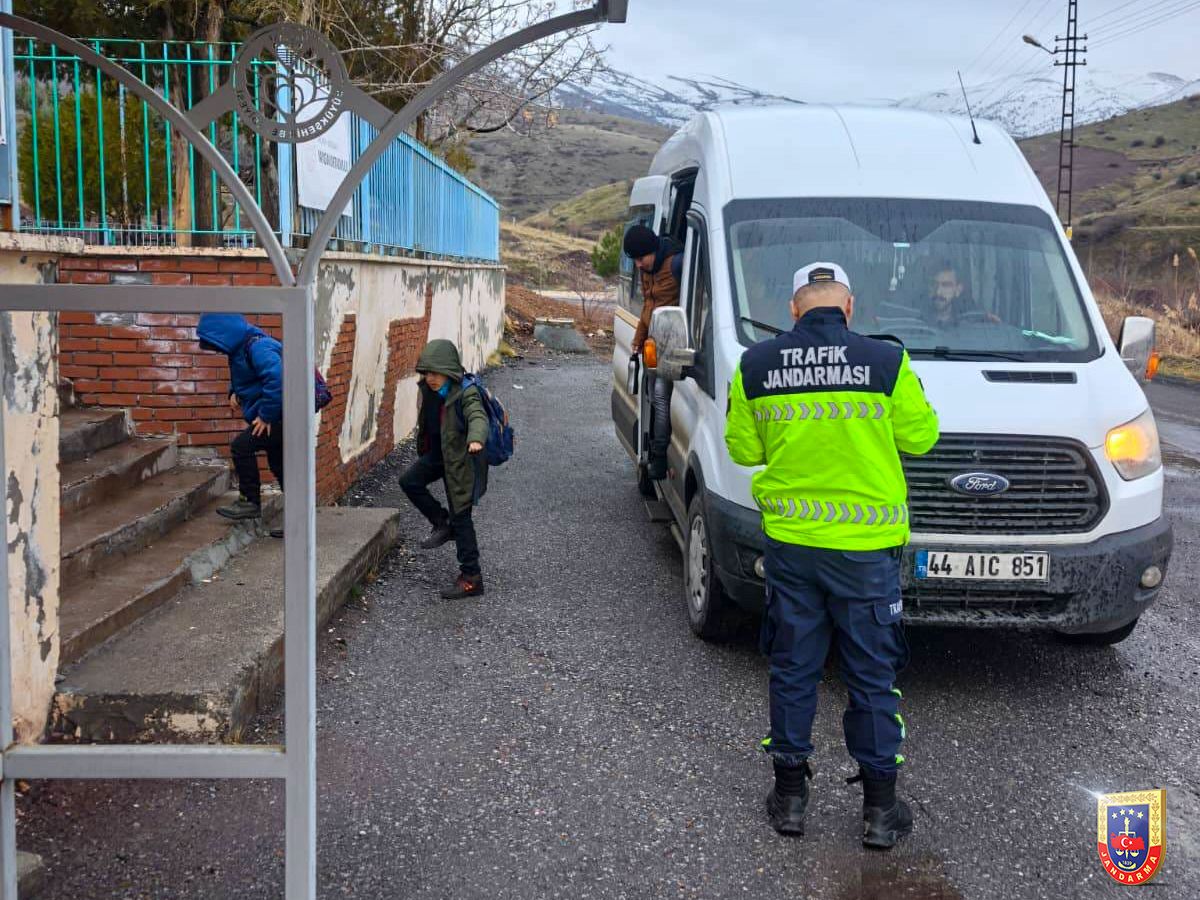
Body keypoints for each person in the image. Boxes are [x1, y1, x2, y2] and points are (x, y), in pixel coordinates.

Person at [724, 262, 939, 850]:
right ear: (849, 308)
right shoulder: (887, 363)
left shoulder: (756, 365)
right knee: (872, 676)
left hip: (793, 548)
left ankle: (790, 800)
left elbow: (742, 450)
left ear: (794, 308)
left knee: (794, 667)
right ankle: (879, 811)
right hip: (866, 553)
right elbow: (922, 438)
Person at [400, 339, 489, 600]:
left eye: (436, 373)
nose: (431, 378)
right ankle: (442, 522)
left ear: (449, 371)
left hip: (462, 461)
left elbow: (477, 416)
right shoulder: (430, 391)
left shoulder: (465, 392)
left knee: (462, 518)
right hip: (439, 455)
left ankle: (472, 578)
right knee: (409, 481)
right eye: (427, 373)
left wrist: (476, 438)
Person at [197, 313, 285, 538]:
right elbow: (246, 377)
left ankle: (250, 502)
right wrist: (234, 392)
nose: (216, 350)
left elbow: (277, 377)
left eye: (215, 344)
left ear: (224, 334)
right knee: (281, 467)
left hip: (278, 416)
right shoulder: (242, 347)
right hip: (279, 415)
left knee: (241, 447)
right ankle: (299, 522)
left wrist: (265, 416)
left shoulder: (258, 346)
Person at [623, 224, 684, 479]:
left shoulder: (677, 265)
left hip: (674, 343)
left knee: (660, 398)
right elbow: (649, 305)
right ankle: (651, 452)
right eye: (634, 260)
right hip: (652, 346)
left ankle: (659, 457)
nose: (637, 265)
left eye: (640, 259)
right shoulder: (649, 268)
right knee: (651, 397)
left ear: (652, 251)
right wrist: (638, 339)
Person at [921, 263, 994, 327]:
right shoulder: (914, 321)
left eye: (946, 285)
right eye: (933, 284)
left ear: (958, 290)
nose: (938, 292)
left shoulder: (973, 323)